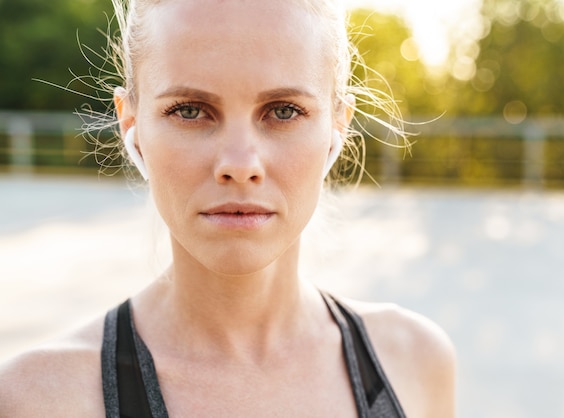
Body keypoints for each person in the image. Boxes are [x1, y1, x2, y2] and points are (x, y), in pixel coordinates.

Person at [0, 0, 456, 416]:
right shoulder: (39, 398)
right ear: (132, 125)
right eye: (191, 111)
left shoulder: (415, 362)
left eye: (282, 111)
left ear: (338, 125)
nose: (239, 165)